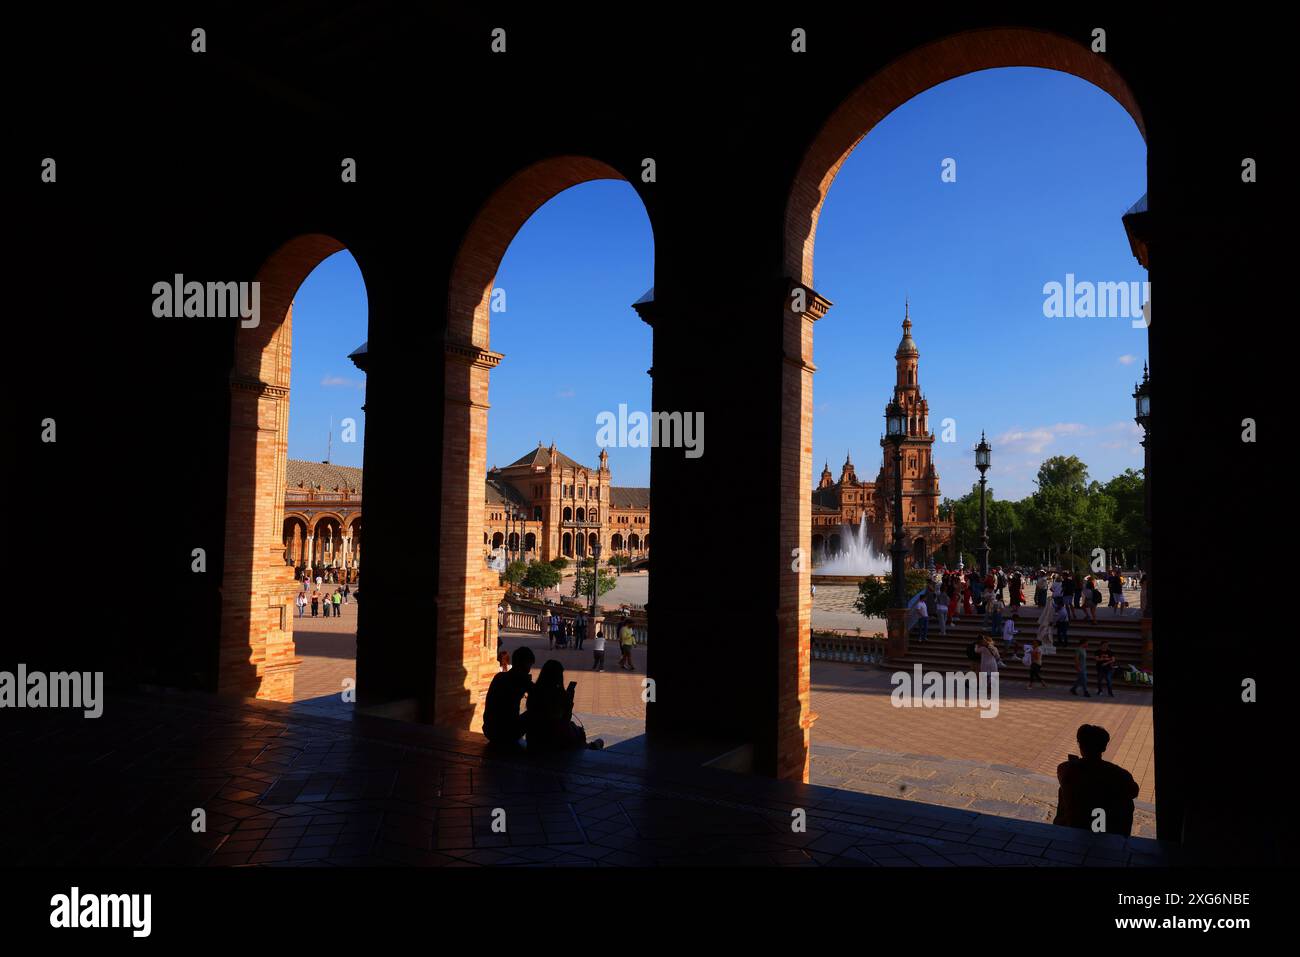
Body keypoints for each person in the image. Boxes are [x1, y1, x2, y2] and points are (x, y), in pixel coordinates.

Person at [1054, 724, 1139, 836]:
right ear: (1104, 747)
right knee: (1126, 801)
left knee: (1064, 789)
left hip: (1075, 825)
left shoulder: (1066, 768)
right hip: (1106, 826)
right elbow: (1134, 791)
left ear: (1080, 746)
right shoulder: (1119, 774)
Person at [525, 659, 604, 751]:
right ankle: (588, 747)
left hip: (533, 738)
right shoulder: (559, 695)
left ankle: (588, 746)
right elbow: (564, 719)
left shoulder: (534, 691)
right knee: (577, 731)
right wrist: (569, 702)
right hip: (553, 740)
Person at [483, 647, 536, 747]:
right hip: (506, 733)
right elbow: (540, 694)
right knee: (534, 713)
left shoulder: (499, 677)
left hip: (489, 730)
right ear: (524, 665)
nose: (529, 670)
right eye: (529, 666)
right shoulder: (521, 679)